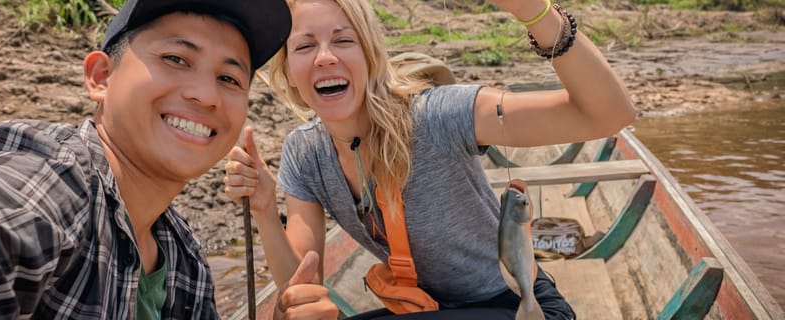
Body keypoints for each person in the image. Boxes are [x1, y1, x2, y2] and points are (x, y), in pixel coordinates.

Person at [0, 0, 338, 319]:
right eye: (175, 58)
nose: (205, 95)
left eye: (228, 78)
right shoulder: (53, 181)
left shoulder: (182, 257)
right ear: (101, 77)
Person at [224, 0, 635, 318]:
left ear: (370, 55)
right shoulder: (304, 153)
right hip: (429, 309)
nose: (325, 57)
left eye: (343, 40)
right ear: (289, 71)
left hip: (521, 307)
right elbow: (303, 284)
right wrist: (263, 207)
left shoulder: (438, 115)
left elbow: (608, 114)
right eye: (305, 46)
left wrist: (534, 11)